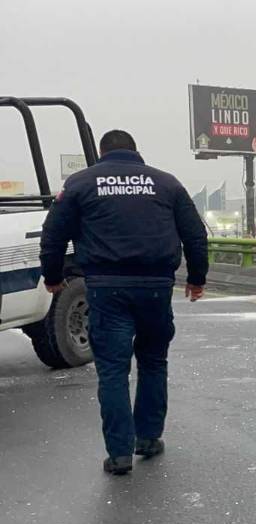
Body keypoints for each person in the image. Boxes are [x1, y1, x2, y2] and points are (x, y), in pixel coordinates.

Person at [39, 129, 209, 475]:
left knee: (113, 371)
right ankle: (148, 438)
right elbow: (194, 234)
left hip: (106, 288)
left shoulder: (81, 183)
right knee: (153, 362)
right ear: (136, 151)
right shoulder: (166, 183)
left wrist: (53, 276)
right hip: (157, 288)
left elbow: (53, 234)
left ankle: (119, 455)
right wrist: (196, 279)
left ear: (101, 152)